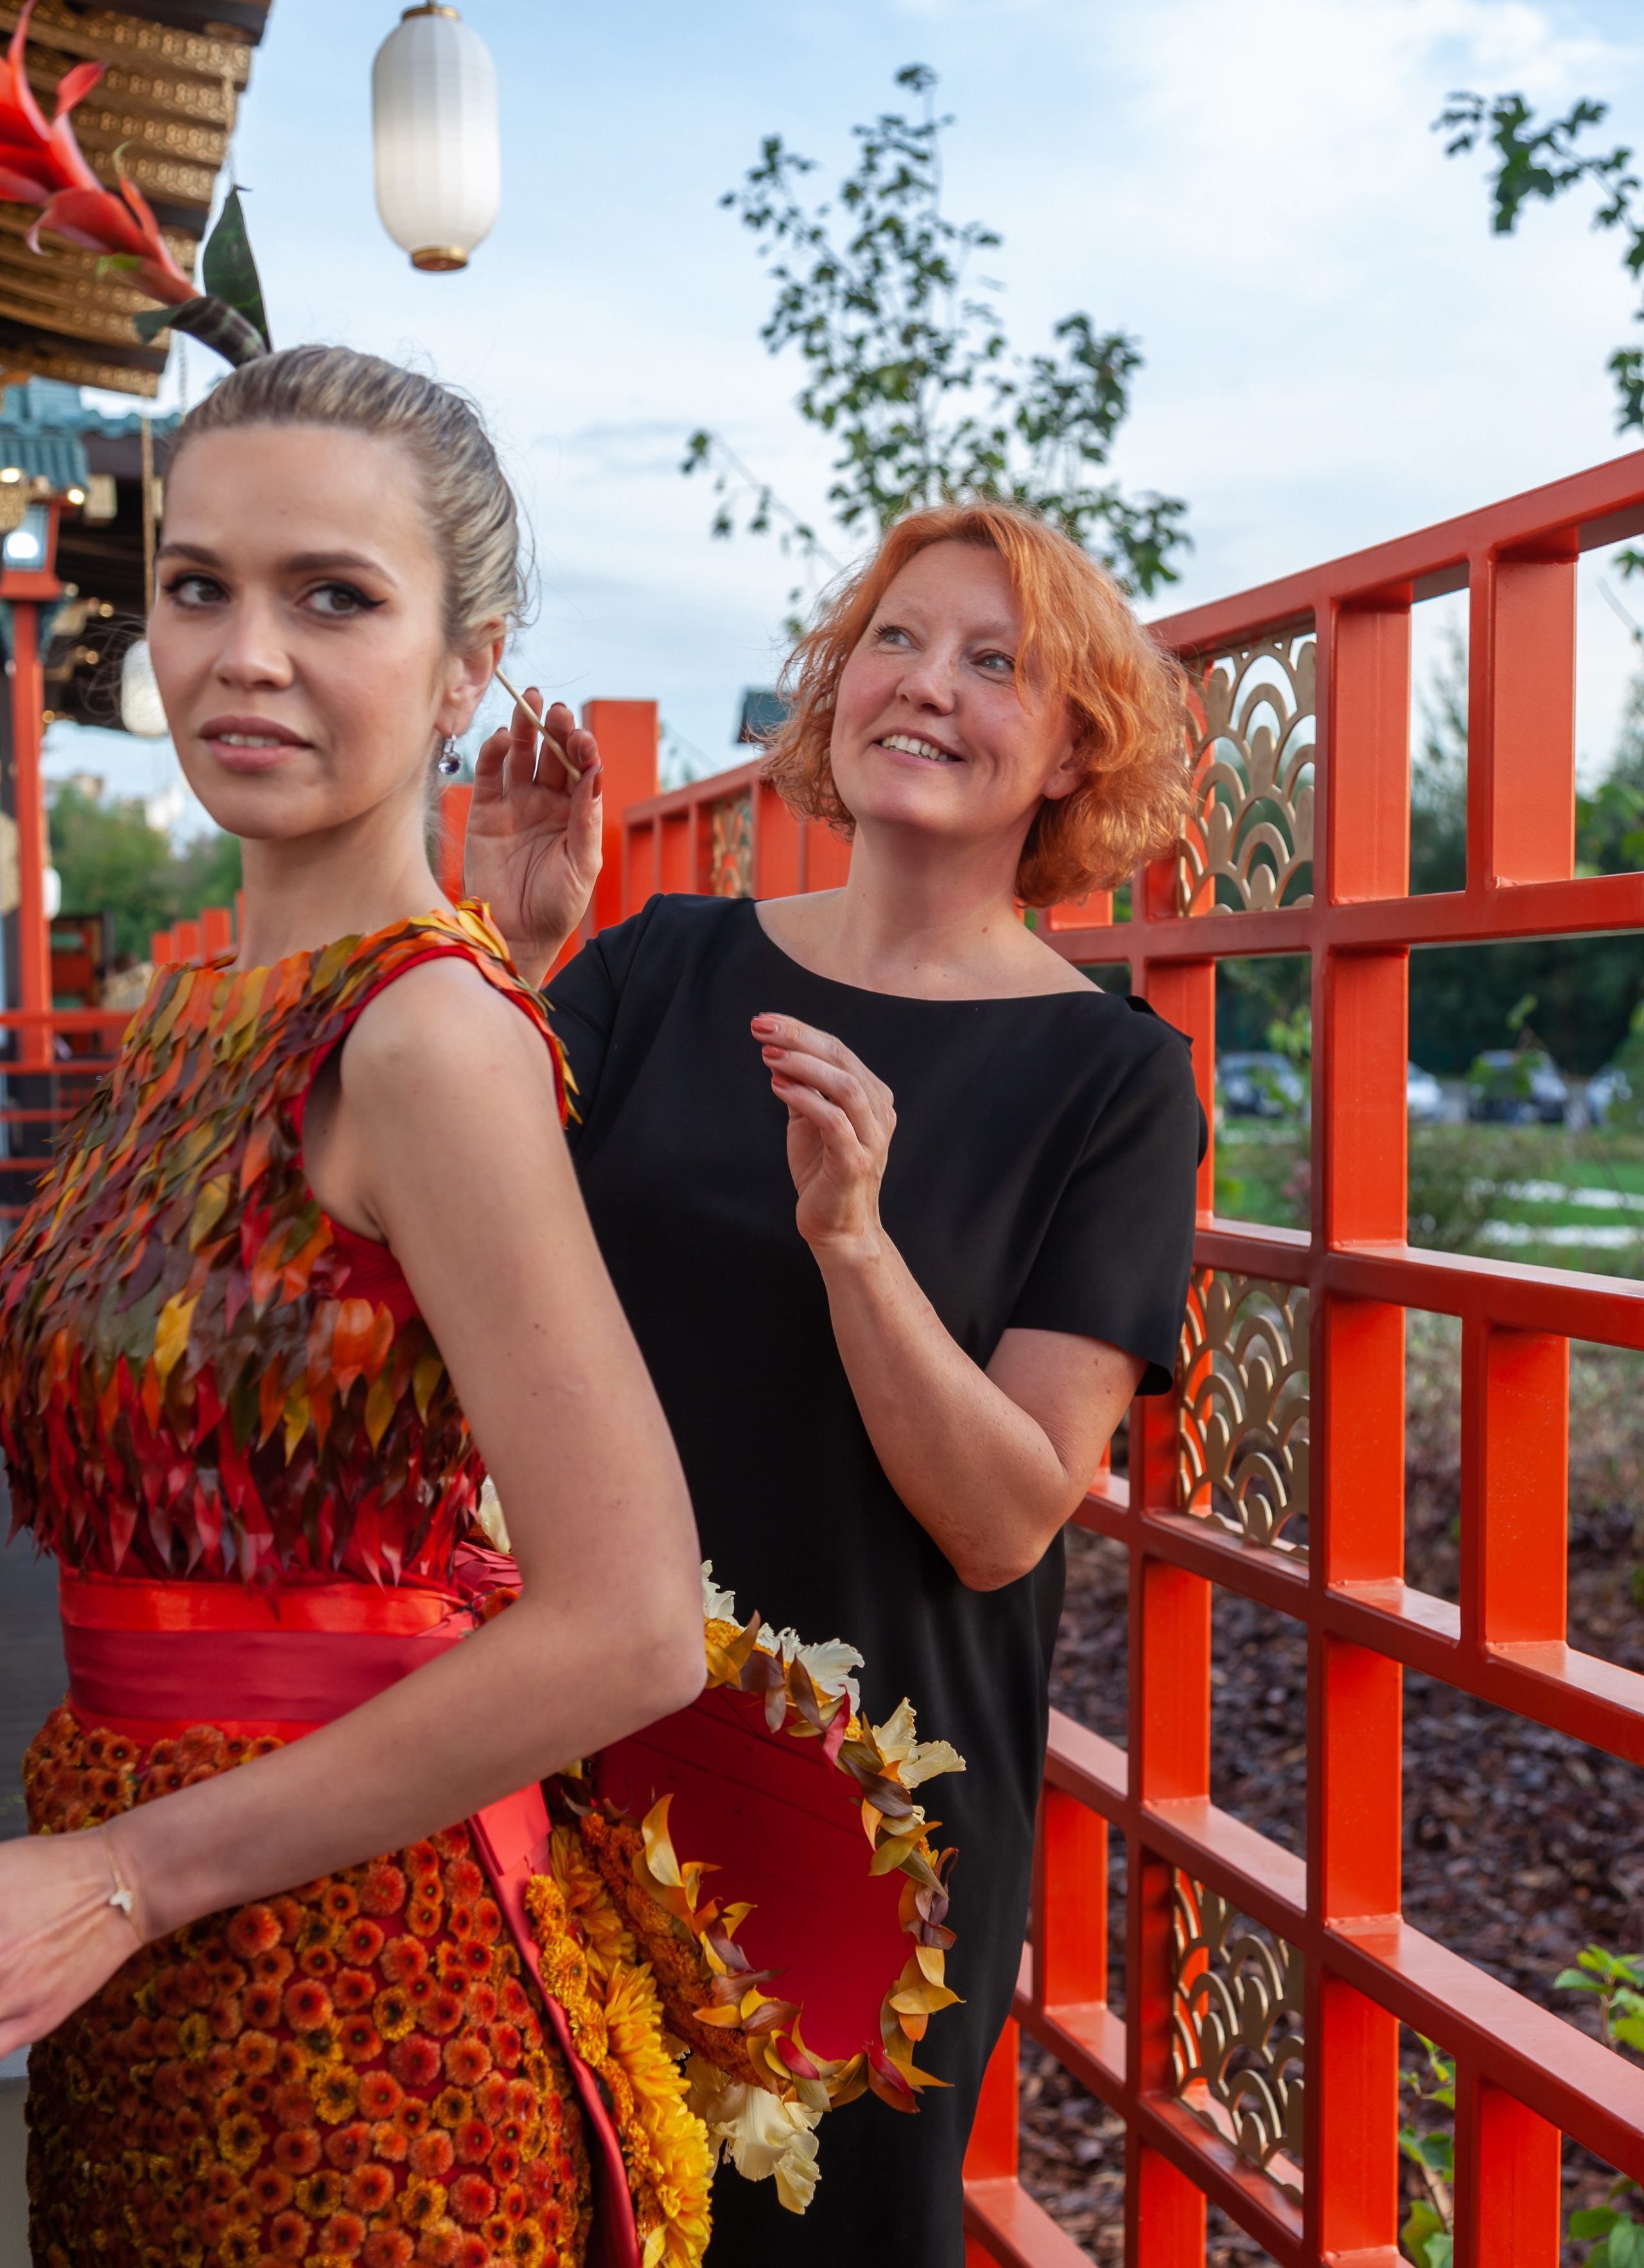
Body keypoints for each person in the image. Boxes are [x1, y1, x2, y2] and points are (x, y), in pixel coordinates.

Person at [0, 347, 711, 2268]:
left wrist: (132, 1873)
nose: (246, 652)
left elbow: (637, 1619)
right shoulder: (200, 1022)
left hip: (354, 2004)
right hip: (142, 1971)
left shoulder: (423, 1036)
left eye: (336, 596)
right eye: (200, 586)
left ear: (467, 665)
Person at [466, 500, 1205, 2264]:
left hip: (864, 1829)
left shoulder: (1114, 1083)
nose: (927, 686)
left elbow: (1005, 1516)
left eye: (995, 661)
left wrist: (856, 1239)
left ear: (1073, 746)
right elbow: (439, 1267)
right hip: (551, 1741)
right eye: (895, 638)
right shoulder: (656, 971)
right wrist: (509, 949)